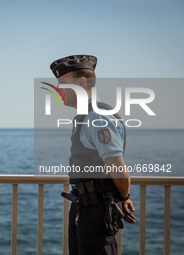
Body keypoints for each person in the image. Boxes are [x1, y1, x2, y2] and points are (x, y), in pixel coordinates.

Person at [50, 55, 136, 255]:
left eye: (62, 82)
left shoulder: (98, 117)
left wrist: (124, 197)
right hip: (85, 208)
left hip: (96, 211)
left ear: (81, 82)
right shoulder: (86, 116)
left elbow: (119, 170)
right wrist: (123, 197)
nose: (58, 89)